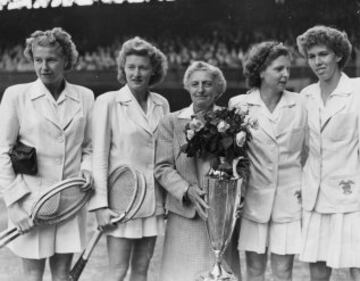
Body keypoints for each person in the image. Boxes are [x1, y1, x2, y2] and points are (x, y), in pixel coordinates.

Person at [0, 27, 94, 281]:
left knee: (62, 275)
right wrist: (15, 206)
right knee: (33, 277)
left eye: (51, 59)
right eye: (38, 60)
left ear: (66, 60)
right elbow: (3, 153)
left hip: (70, 203)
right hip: (31, 203)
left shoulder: (85, 97)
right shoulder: (16, 95)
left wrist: (87, 168)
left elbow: (89, 146)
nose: (44, 67)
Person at [88, 36, 169, 281]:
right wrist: (100, 206)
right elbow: (99, 157)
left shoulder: (161, 104)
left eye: (143, 67)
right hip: (120, 203)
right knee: (118, 272)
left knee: (142, 270)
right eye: (131, 67)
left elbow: (163, 156)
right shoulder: (107, 102)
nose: (136, 73)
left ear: (153, 70)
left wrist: (164, 200)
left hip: (152, 201)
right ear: (123, 69)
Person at [154, 61, 241, 281]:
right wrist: (187, 190)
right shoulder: (170, 122)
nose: (200, 89)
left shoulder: (232, 121)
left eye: (207, 84)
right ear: (188, 87)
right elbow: (162, 167)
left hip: (221, 216)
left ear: (217, 88)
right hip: (185, 215)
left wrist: (233, 198)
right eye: (195, 84)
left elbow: (241, 165)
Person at [229, 41, 307, 281]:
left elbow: (307, 151)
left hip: (290, 201)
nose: (285, 74)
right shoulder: (238, 105)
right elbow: (234, 156)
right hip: (254, 201)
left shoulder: (301, 103)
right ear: (261, 71)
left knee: (283, 273)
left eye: (288, 69)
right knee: (254, 272)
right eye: (279, 69)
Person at [297, 25, 360, 281]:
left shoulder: (358, 90)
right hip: (314, 196)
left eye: (323, 54)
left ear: (338, 55)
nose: (317, 62)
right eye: (311, 56)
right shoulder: (305, 95)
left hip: (351, 195)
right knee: (318, 273)